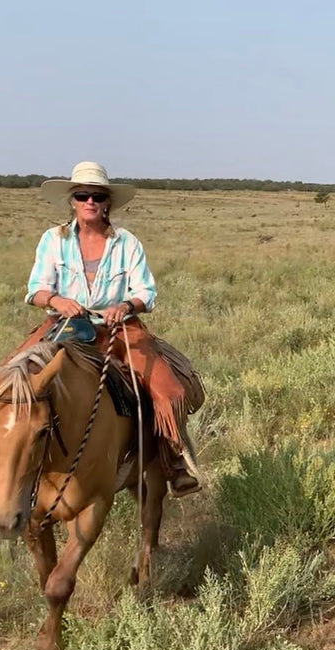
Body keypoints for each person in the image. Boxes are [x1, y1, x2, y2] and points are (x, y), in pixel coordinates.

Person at [29, 161, 200, 496]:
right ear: (72, 200)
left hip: (120, 329)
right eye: (82, 195)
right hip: (64, 326)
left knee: (169, 390)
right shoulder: (53, 240)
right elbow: (35, 289)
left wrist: (126, 306)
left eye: (96, 195)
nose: (89, 201)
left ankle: (172, 459)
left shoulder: (127, 243)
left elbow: (146, 292)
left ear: (107, 201)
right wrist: (57, 300)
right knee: (8, 380)